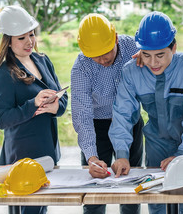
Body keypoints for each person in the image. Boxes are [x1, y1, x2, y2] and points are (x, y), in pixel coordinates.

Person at [109, 11, 183, 214]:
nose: (153, 63)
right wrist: (121, 154)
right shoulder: (132, 71)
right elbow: (122, 114)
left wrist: (182, 157)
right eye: (146, 55)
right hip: (157, 146)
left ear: (174, 47)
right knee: (156, 204)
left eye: (160, 55)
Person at [0, 5, 68, 214]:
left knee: (41, 210)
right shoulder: (3, 74)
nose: (29, 41)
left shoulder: (43, 61)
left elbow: (62, 98)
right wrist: (33, 105)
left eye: (31, 34)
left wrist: (55, 106)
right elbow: (1, 119)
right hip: (21, 158)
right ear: (8, 41)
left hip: (47, 153)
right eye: (21, 38)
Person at [71, 13, 143, 214]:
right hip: (97, 125)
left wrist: (147, 57)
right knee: (94, 191)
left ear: (116, 38)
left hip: (131, 122)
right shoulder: (82, 67)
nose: (102, 59)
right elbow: (82, 114)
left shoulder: (133, 48)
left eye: (106, 52)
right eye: (95, 55)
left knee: (132, 187)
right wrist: (91, 157)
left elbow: (161, 55)